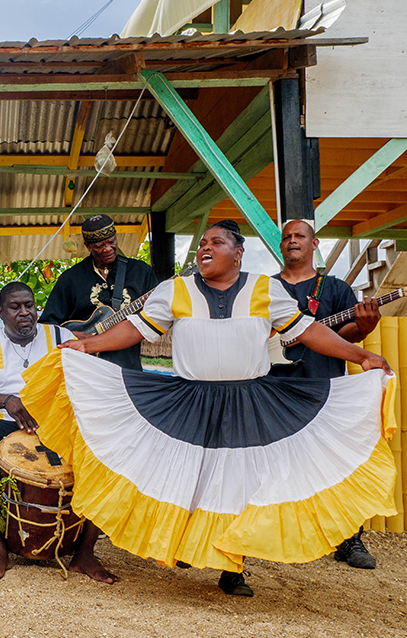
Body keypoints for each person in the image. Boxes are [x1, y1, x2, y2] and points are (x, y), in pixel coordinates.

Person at [22, 220, 395, 597]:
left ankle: (232, 569)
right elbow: (135, 329)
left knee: (237, 483)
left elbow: (309, 332)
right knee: (189, 478)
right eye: (202, 242)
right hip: (191, 399)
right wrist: (89, 346)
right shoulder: (174, 290)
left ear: (238, 253)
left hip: (247, 400)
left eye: (216, 242)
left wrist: (361, 355)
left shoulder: (267, 290)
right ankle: (188, 546)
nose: (205, 248)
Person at [0, 282, 116, 583]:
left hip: (54, 421)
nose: (25, 312)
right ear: (1, 313)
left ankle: (85, 553)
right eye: (15, 307)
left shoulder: (61, 338)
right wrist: (7, 401)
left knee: (102, 453)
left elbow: (86, 380)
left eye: (29, 305)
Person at [271, 219, 382, 569]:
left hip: (324, 386)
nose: (292, 241)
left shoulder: (334, 288)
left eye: (299, 236)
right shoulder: (265, 288)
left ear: (314, 244)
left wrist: (365, 326)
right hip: (274, 386)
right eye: (286, 237)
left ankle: (348, 539)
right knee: (269, 459)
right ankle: (265, 534)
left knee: (335, 459)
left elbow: (349, 335)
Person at [39, 214, 158, 370]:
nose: (107, 249)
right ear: (88, 246)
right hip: (84, 370)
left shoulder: (140, 272)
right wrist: (74, 335)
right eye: (100, 246)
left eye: (111, 242)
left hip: (127, 368)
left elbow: (157, 313)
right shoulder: (70, 279)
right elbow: (46, 327)